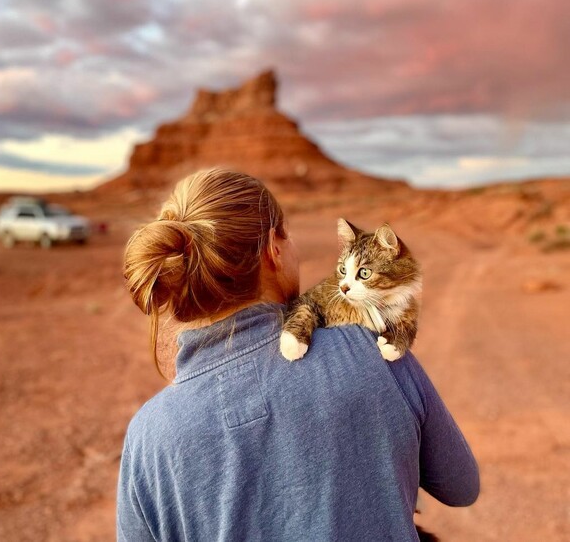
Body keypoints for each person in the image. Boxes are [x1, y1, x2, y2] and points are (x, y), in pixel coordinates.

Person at [117, 167, 479, 542]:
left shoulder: (149, 434)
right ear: (273, 249)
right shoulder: (372, 351)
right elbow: (461, 486)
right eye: (287, 236)